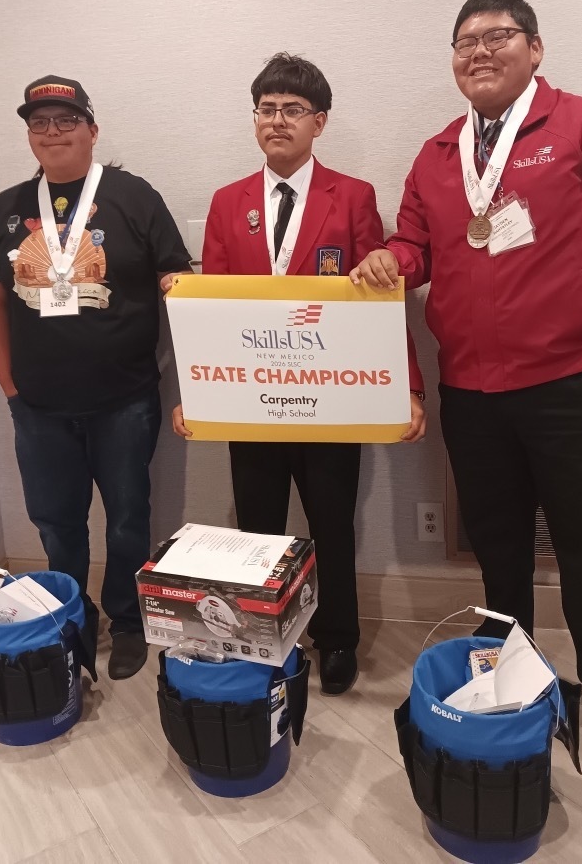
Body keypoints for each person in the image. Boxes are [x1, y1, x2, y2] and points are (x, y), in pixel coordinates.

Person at [352, 0, 582, 769]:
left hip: (571, 385)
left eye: (498, 36)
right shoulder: (437, 154)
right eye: (465, 42)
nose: (480, 51)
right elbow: (417, 245)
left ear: (535, 48)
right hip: (471, 392)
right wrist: (391, 259)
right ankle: (510, 672)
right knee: (496, 548)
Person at [167, 53, 426, 694]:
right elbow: (214, 311)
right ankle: (265, 636)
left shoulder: (353, 196)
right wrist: (196, 393)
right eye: (267, 108)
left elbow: (380, 299)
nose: (277, 120)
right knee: (258, 529)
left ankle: (338, 638)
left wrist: (409, 388)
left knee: (333, 523)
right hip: (250, 402)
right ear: (255, 118)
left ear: (320, 121)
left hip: (330, 402)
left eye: (292, 109)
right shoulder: (228, 203)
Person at [0, 75, 191, 680]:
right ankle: (72, 619)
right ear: (29, 135)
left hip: (125, 400)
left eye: (65, 120)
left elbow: (177, 280)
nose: (52, 132)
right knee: (56, 523)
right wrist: (11, 389)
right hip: (38, 406)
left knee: (127, 518)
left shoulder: (134, 196)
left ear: (92, 129)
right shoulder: (6, 208)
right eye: (39, 122)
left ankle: (128, 620)